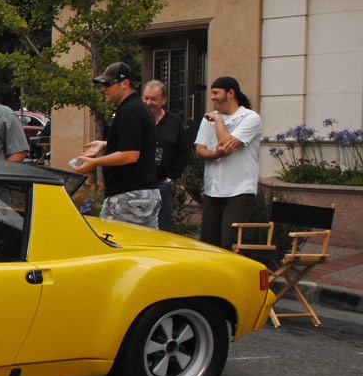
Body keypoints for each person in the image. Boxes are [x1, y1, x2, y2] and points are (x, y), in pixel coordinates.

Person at [73, 62, 160, 228]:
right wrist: (106, 144)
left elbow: (130, 154)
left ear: (125, 84)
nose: (103, 89)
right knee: (141, 247)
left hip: (130, 197)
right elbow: (138, 143)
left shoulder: (129, 111)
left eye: (107, 84)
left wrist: (95, 162)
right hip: (141, 194)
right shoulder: (137, 108)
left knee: (123, 246)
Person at [195, 76, 263, 250]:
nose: (212, 98)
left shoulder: (250, 118)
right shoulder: (206, 119)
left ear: (231, 93)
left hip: (238, 190)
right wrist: (215, 154)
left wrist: (218, 120)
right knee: (208, 244)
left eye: (216, 93)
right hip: (213, 189)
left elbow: (226, 144)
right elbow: (200, 151)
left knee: (230, 243)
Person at [142, 80, 191, 231]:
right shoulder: (137, 120)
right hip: (138, 186)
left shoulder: (174, 122)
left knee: (161, 229)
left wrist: (171, 177)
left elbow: (183, 151)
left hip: (162, 185)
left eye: (153, 99)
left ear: (164, 100)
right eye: (146, 98)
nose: (149, 102)